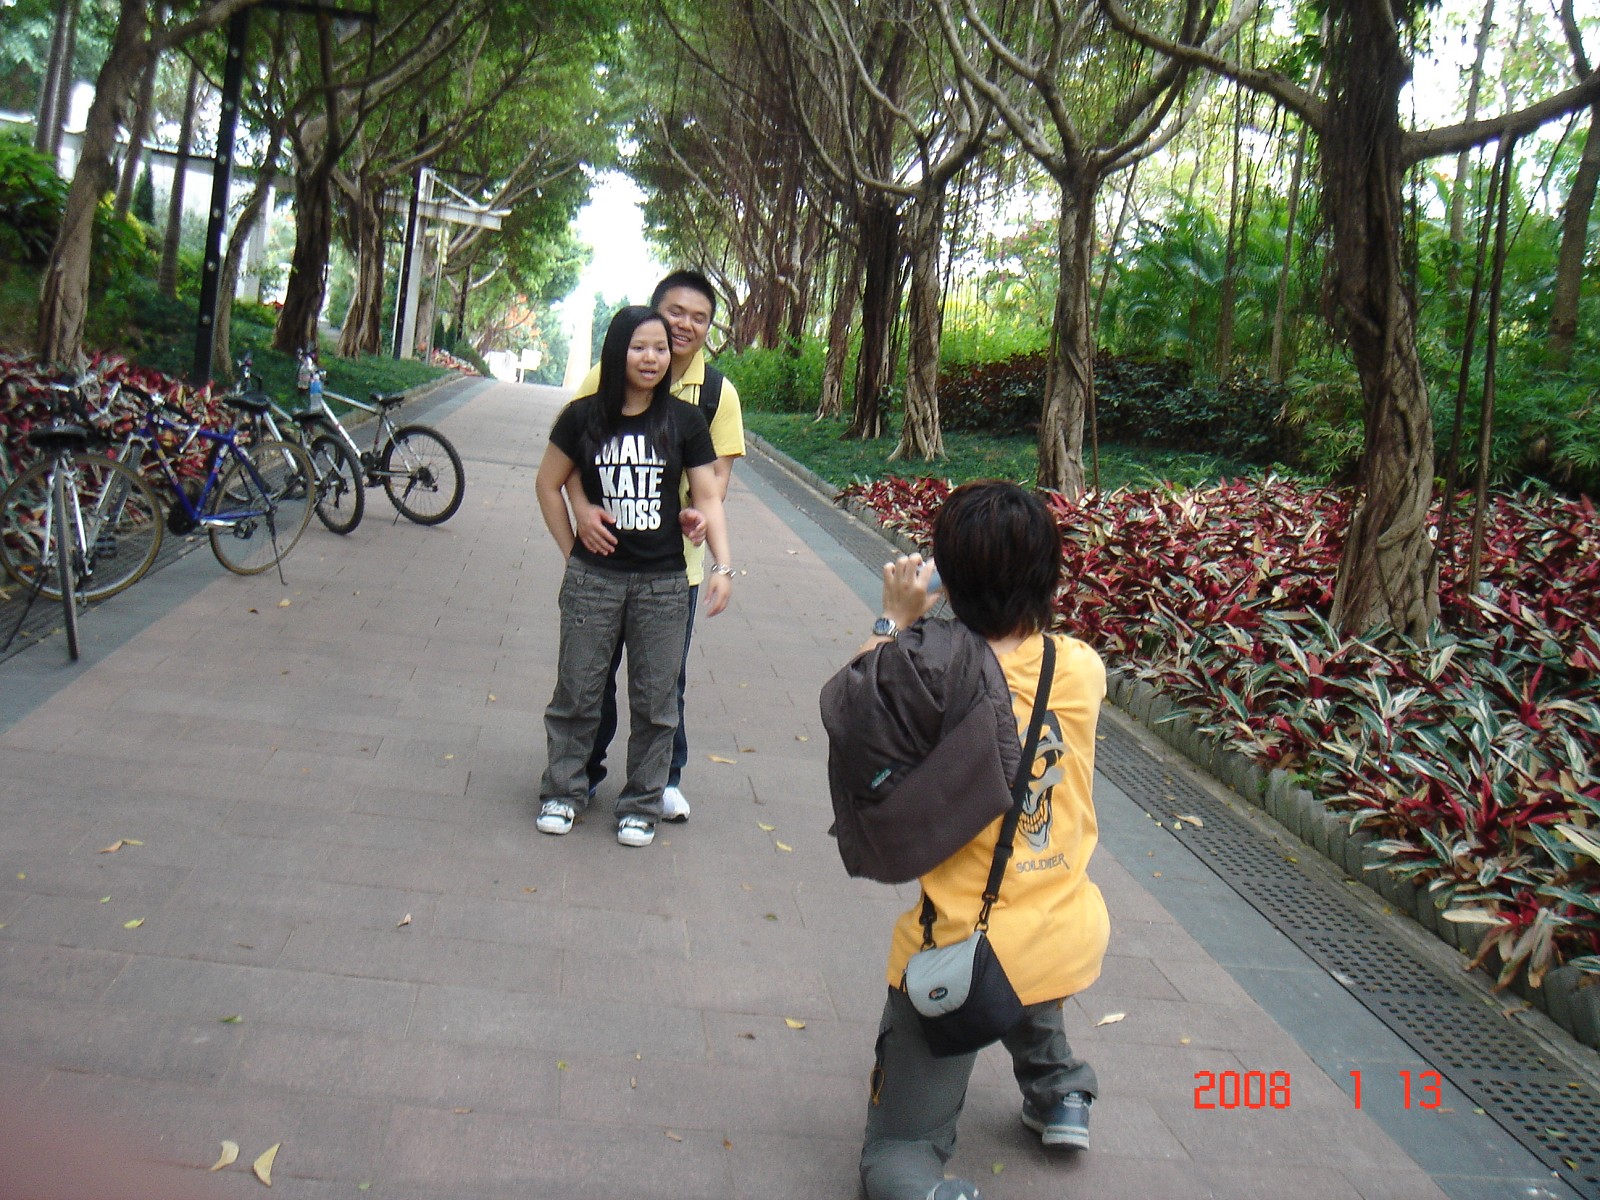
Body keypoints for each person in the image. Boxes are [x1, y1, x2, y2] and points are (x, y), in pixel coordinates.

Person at [824, 481, 1110, 1200]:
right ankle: (1061, 1092)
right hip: (1068, 926)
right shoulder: (1081, 668)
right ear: (1048, 574)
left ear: (950, 577)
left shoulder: (927, 672)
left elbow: (857, 708)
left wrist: (895, 617)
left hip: (962, 946)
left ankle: (922, 1184)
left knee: (895, 1154)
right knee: (1028, 957)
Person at [534, 305, 734, 848]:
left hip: (663, 585)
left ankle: (642, 803)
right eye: (639, 347)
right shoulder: (581, 417)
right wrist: (573, 550)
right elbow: (548, 483)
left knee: (656, 701)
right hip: (594, 582)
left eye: (660, 349)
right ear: (617, 351)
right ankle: (563, 791)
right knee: (578, 690)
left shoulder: (684, 422)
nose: (651, 358)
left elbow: (707, 496)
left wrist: (722, 563)